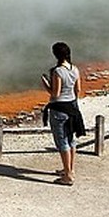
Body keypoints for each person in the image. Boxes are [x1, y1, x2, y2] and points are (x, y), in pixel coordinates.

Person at [41, 41, 85, 185]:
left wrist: (45, 84)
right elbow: (78, 90)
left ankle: (68, 176)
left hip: (59, 108)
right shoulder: (75, 69)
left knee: (62, 142)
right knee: (71, 139)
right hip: (72, 106)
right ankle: (70, 169)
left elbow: (55, 94)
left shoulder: (58, 71)